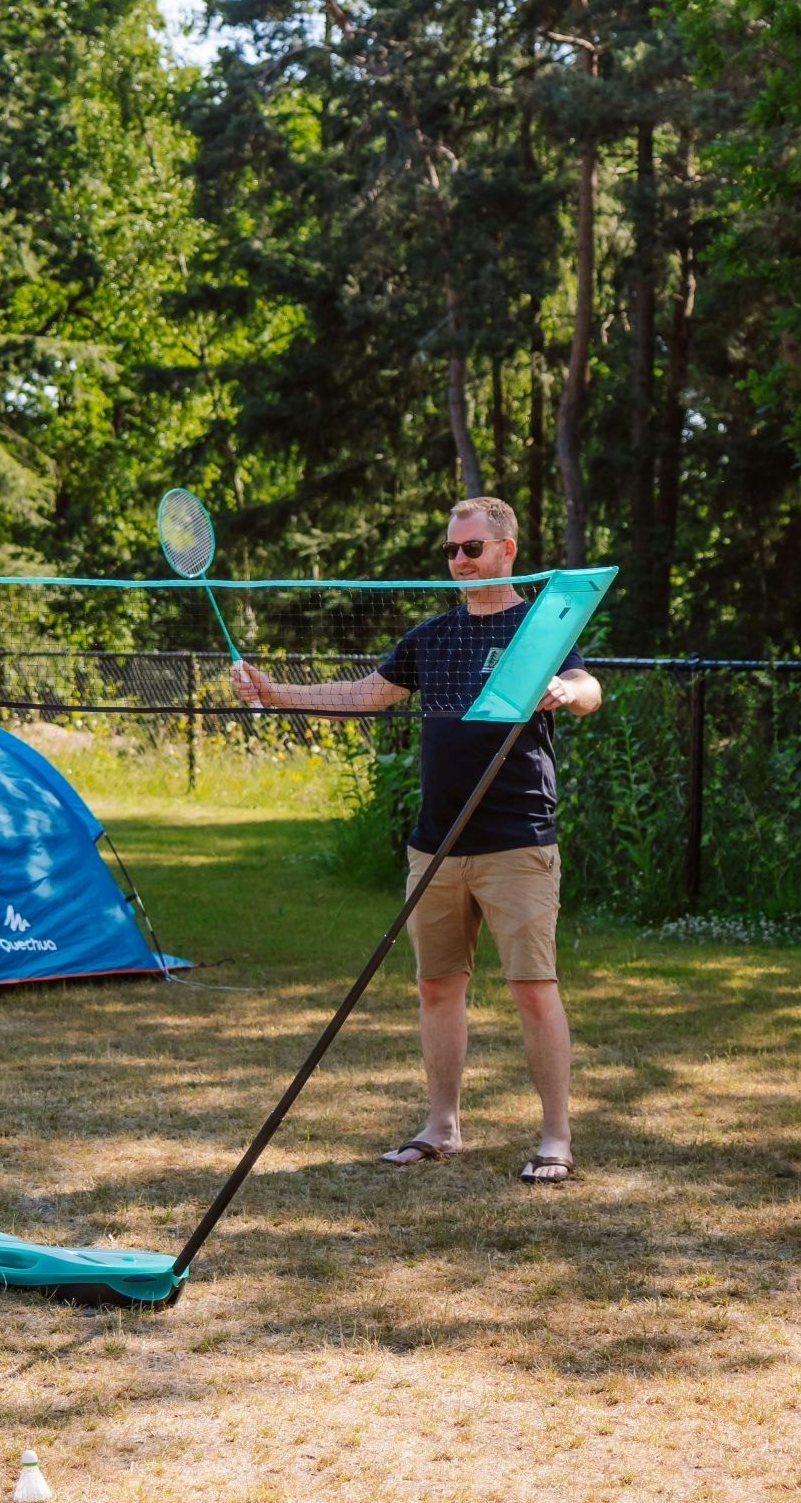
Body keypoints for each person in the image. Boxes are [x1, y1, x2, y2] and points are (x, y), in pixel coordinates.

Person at [230, 497, 603, 1184]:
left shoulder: (537, 627)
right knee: (437, 986)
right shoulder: (433, 635)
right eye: (451, 551)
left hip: (516, 839)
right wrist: (276, 693)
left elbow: (588, 685)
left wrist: (566, 689)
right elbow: (368, 694)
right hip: (436, 845)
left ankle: (555, 1137)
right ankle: (442, 1128)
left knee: (532, 987)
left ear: (506, 549)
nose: (459, 561)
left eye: (472, 549)